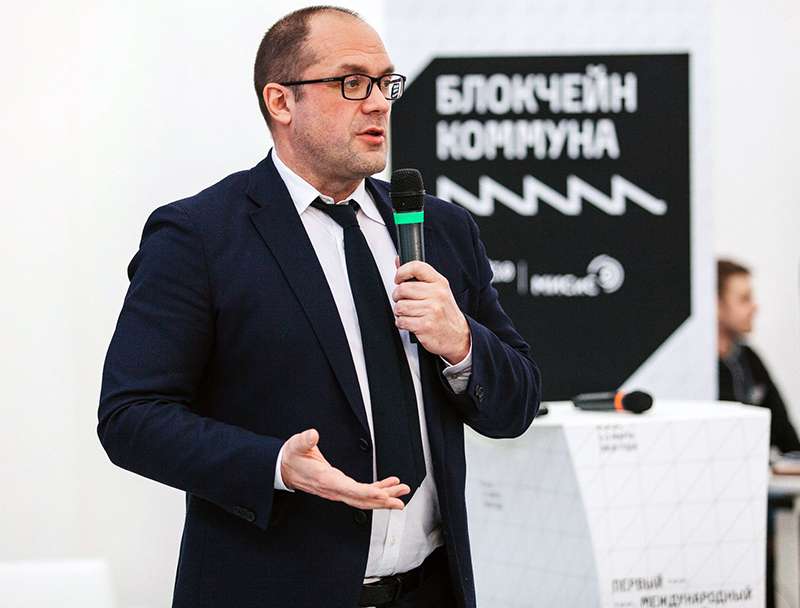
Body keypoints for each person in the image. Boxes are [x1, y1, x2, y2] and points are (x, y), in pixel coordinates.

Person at [97, 6, 541, 608]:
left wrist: (462, 343)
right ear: (281, 101)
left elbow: (516, 407)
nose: (378, 103)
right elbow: (130, 417)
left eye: (385, 83)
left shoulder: (441, 228)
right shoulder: (199, 235)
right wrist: (275, 465)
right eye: (351, 82)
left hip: (430, 589)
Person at [717, 259, 800, 453]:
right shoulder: (698, 369)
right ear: (716, 303)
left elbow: (785, 433)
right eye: (744, 299)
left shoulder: (749, 358)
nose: (754, 306)